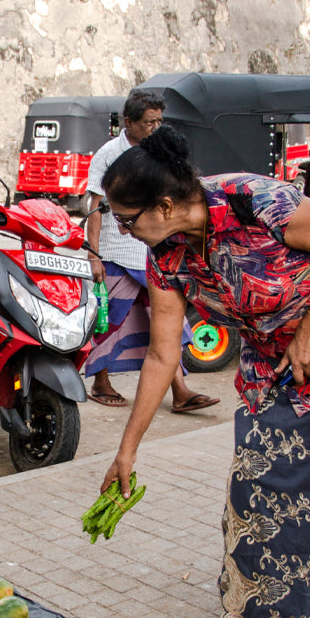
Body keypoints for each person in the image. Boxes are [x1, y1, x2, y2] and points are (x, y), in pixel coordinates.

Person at [100, 125, 310, 618]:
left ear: (166, 204)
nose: (124, 231)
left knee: (295, 499)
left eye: (127, 220)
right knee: (249, 492)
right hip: (265, 365)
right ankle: (248, 612)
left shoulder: (256, 201)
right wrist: (127, 450)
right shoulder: (166, 256)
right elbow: (161, 357)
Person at [84, 90, 219, 414]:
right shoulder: (109, 154)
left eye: (160, 121)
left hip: (153, 252)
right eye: (148, 122)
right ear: (128, 122)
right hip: (118, 253)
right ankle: (100, 381)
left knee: (166, 324)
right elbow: (95, 206)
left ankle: (180, 390)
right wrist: (94, 254)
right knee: (110, 320)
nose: (155, 128)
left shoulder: (156, 156)